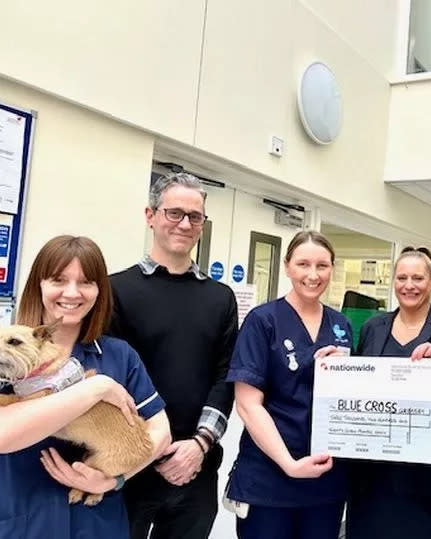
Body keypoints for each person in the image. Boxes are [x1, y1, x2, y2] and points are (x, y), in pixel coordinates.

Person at [0, 235, 171, 539]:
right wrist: (93, 390)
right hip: (17, 521)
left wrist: (113, 481)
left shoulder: (119, 355)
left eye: (86, 282)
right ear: (38, 285)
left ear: (99, 290)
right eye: (58, 279)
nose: (72, 292)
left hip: (95, 524)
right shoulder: (3, 349)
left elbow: (159, 434)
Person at [110, 172, 238, 539]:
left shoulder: (220, 298)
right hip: (129, 468)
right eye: (174, 213)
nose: (185, 224)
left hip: (196, 468)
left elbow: (225, 377)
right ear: (150, 215)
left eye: (194, 217)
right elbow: (109, 380)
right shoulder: (115, 290)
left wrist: (199, 445)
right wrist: (152, 449)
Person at [226, 230, 353, 539]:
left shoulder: (341, 326)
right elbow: (247, 403)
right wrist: (289, 463)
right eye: (303, 264)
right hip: (270, 478)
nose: (313, 275)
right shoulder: (263, 320)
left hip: (325, 480)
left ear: (332, 269)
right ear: (286, 266)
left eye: (322, 266)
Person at [347, 246, 431, 539]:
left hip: (425, 478)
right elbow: (358, 387)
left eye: (417, 278)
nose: (409, 285)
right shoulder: (372, 327)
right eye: (402, 277)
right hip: (370, 474)